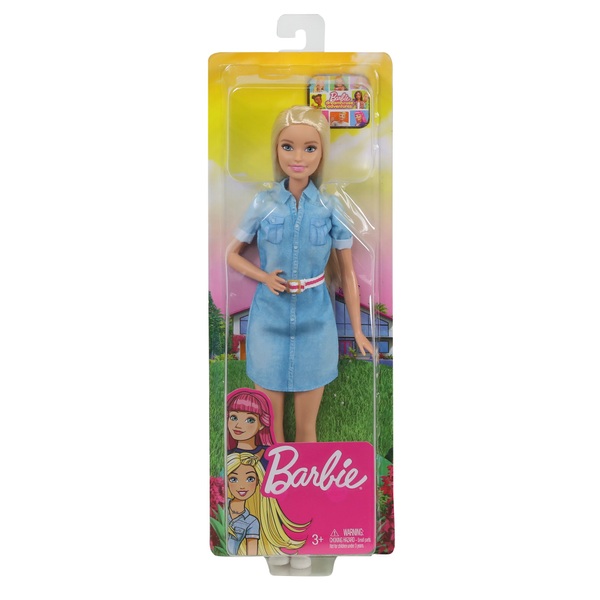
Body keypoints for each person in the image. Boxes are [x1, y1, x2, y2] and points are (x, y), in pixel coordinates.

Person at [227, 106, 373, 445]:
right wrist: (264, 277)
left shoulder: (330, 208)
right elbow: (231, 254)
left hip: (316, 322)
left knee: (308, 431)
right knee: (271, 431)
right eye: (287, 146)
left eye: (310, 148)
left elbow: (347, 273)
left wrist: (357, 330)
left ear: (321, 153)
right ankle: (273, 478)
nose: (298, 157)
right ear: (276, 150)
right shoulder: (264, 203)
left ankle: (308, 478)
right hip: (269, 319)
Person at [226, 452, 309, 557]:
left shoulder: (252, 522)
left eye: (250, 479)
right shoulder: (220, 505)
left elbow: (252, 554)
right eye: (233, 479)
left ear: (258, 481)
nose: (242, 486)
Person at [227, 388, 276, 469]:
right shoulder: (226, 455)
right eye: (233, 418)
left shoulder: (271, 454)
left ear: (262, 424)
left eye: (249, 420)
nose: (238, 425)